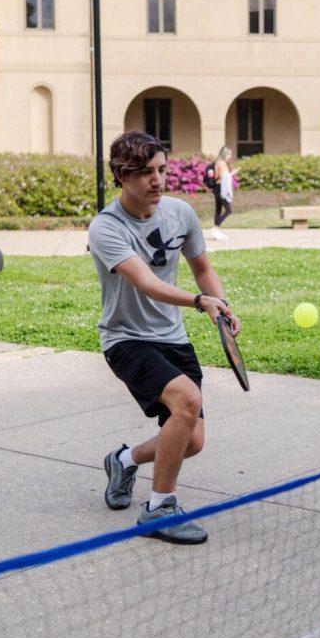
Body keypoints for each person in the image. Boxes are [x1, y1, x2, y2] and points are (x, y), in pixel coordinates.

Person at [89, 131, 240, 545]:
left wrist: (220, 304)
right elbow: (146, 283)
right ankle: (159, 509)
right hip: (126, 339)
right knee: (187, 401)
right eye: (145, 173)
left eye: (161, 170)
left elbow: (203, 268)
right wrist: (199, 301)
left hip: (171, 337)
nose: (157, 181)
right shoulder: (106, 228)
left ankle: (124, 460)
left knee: (191, 440)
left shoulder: (180, 214)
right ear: (121, 176)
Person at [207, 147, 240, 241]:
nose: (230, 156)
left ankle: (216, 232)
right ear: (225, 155)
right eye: (229, 154)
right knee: (228, 210)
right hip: (221, 188)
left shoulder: (218, 162)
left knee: (218, 210)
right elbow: (224, 177)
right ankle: (215, 228)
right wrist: (233, 173)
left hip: (217, 188)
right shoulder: (222, 163)